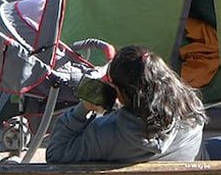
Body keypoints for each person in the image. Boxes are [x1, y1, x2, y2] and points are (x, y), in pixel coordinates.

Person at [46, 46, 206, 163]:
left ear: (119, 91)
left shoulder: (104, 134)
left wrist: (83, 109)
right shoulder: (193, 109)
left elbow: (55, 153)